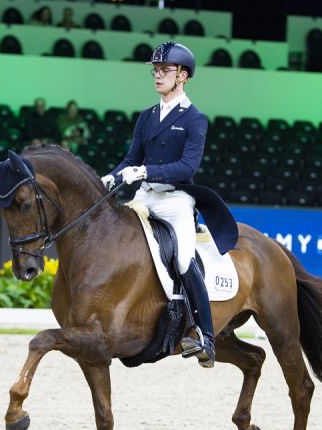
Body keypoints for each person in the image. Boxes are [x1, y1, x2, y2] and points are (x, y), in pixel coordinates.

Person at [100, 42, 238, 369]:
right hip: (145, 197)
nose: (158, 75)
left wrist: (146, 170)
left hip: (176, 200)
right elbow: (130, 159)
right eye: (156, 70)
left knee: (184, 256)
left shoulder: (195, 120)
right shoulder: (147, 116)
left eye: (165, 70)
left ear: (183, 76)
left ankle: (204, 335)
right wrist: (111, 177)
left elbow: (187, 168)